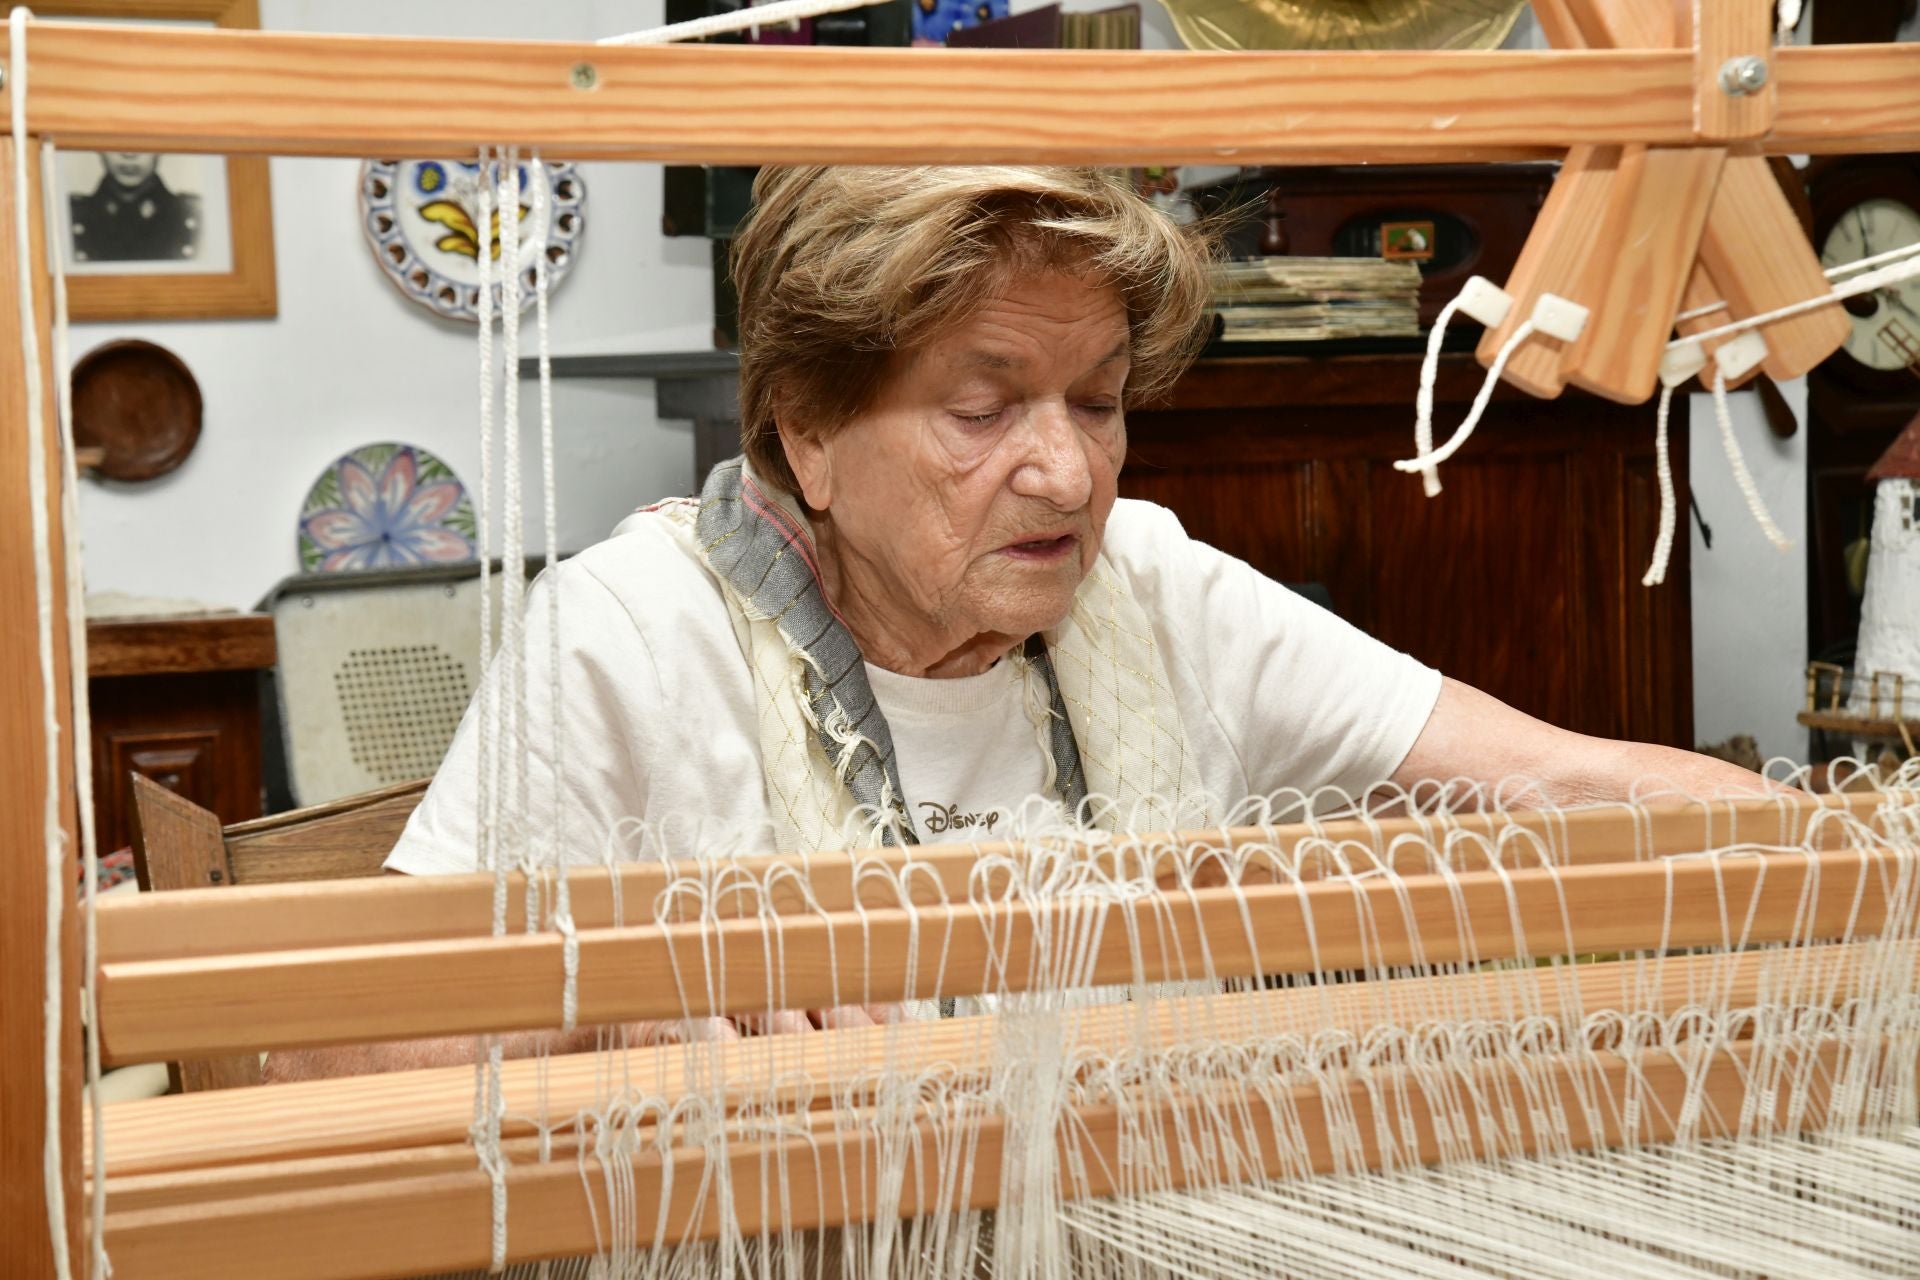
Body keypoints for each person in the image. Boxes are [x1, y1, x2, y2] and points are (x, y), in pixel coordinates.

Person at [269, 166, 1765, 1081]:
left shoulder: (1154, 593)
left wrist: (1859, 864)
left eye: (1100, 403)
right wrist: (630, 1018)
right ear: (807, 437)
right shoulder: (631, 634)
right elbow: (324, 1069)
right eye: (984, 409)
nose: (1068, 470)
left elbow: (1556, 783)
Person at [68, 152, 201, 263]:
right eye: (115, 139)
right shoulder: (69, 217)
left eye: (145, 140)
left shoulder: (194, 215)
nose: (129, 154)